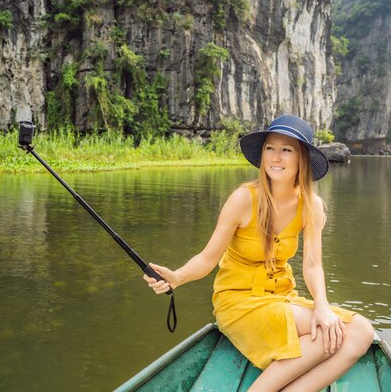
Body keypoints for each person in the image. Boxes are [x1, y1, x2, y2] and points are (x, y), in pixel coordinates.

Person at [145, 114, 374, 392]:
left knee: (362, 332)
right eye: (270, 148)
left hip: (281, 297)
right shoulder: (244, 199)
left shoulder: (311, 205)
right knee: (328, 334)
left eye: (286, 150)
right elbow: (208, 259)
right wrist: (176, 277)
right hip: (239, 301)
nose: (276, 157)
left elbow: (313, 266)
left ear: (302, 158)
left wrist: (322, 306)